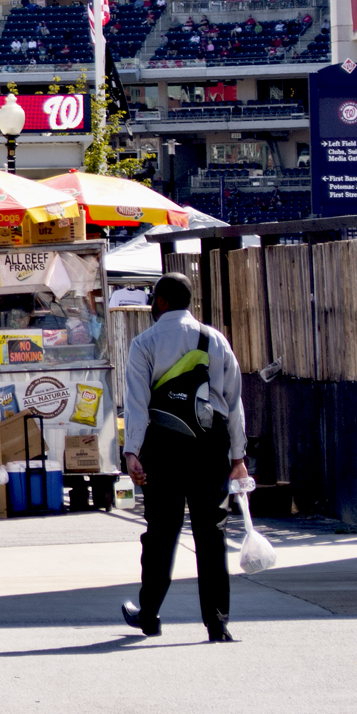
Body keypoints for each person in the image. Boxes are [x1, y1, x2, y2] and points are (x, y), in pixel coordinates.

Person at [121, 273, 250, 643]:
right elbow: (234, 402)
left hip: (163, 447)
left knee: (162, 532)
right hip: (211, 447)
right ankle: (217, 623)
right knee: (211, 533)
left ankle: (148, 615)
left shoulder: (144, 343)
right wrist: (238, 456)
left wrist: (132, 452)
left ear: (160, 301)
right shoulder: (216, 341)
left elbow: (136, 405)